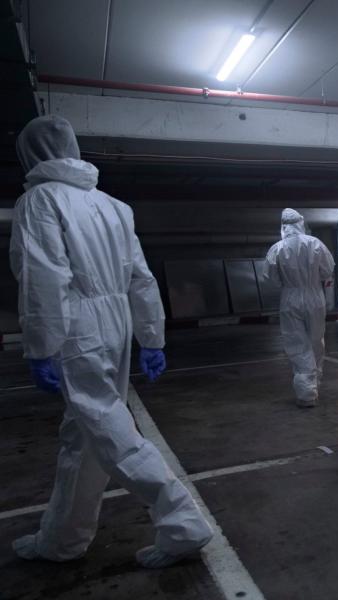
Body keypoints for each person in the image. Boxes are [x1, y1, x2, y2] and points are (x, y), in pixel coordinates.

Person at [9, 115, 212, 567]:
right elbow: (140, 277)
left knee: (109, 428)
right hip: (115, 319)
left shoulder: (39, 199)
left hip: (75, 323)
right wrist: (151, 337)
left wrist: (41, 345)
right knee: (82, 436)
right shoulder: (115, 206)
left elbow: (43, 277)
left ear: (30, 155)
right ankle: (62, 539)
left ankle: (183, 523)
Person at [265, 208, 335, 408]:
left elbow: (269, 278)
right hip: (315, 296)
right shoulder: (315, 244)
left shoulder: (277, 248)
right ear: (300, 223)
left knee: (297, 344)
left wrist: (288, 283)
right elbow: (328, 270)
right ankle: (314, 385)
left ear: (283, 226)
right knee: (316, 341)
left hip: (290, 297)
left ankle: (306, 393)